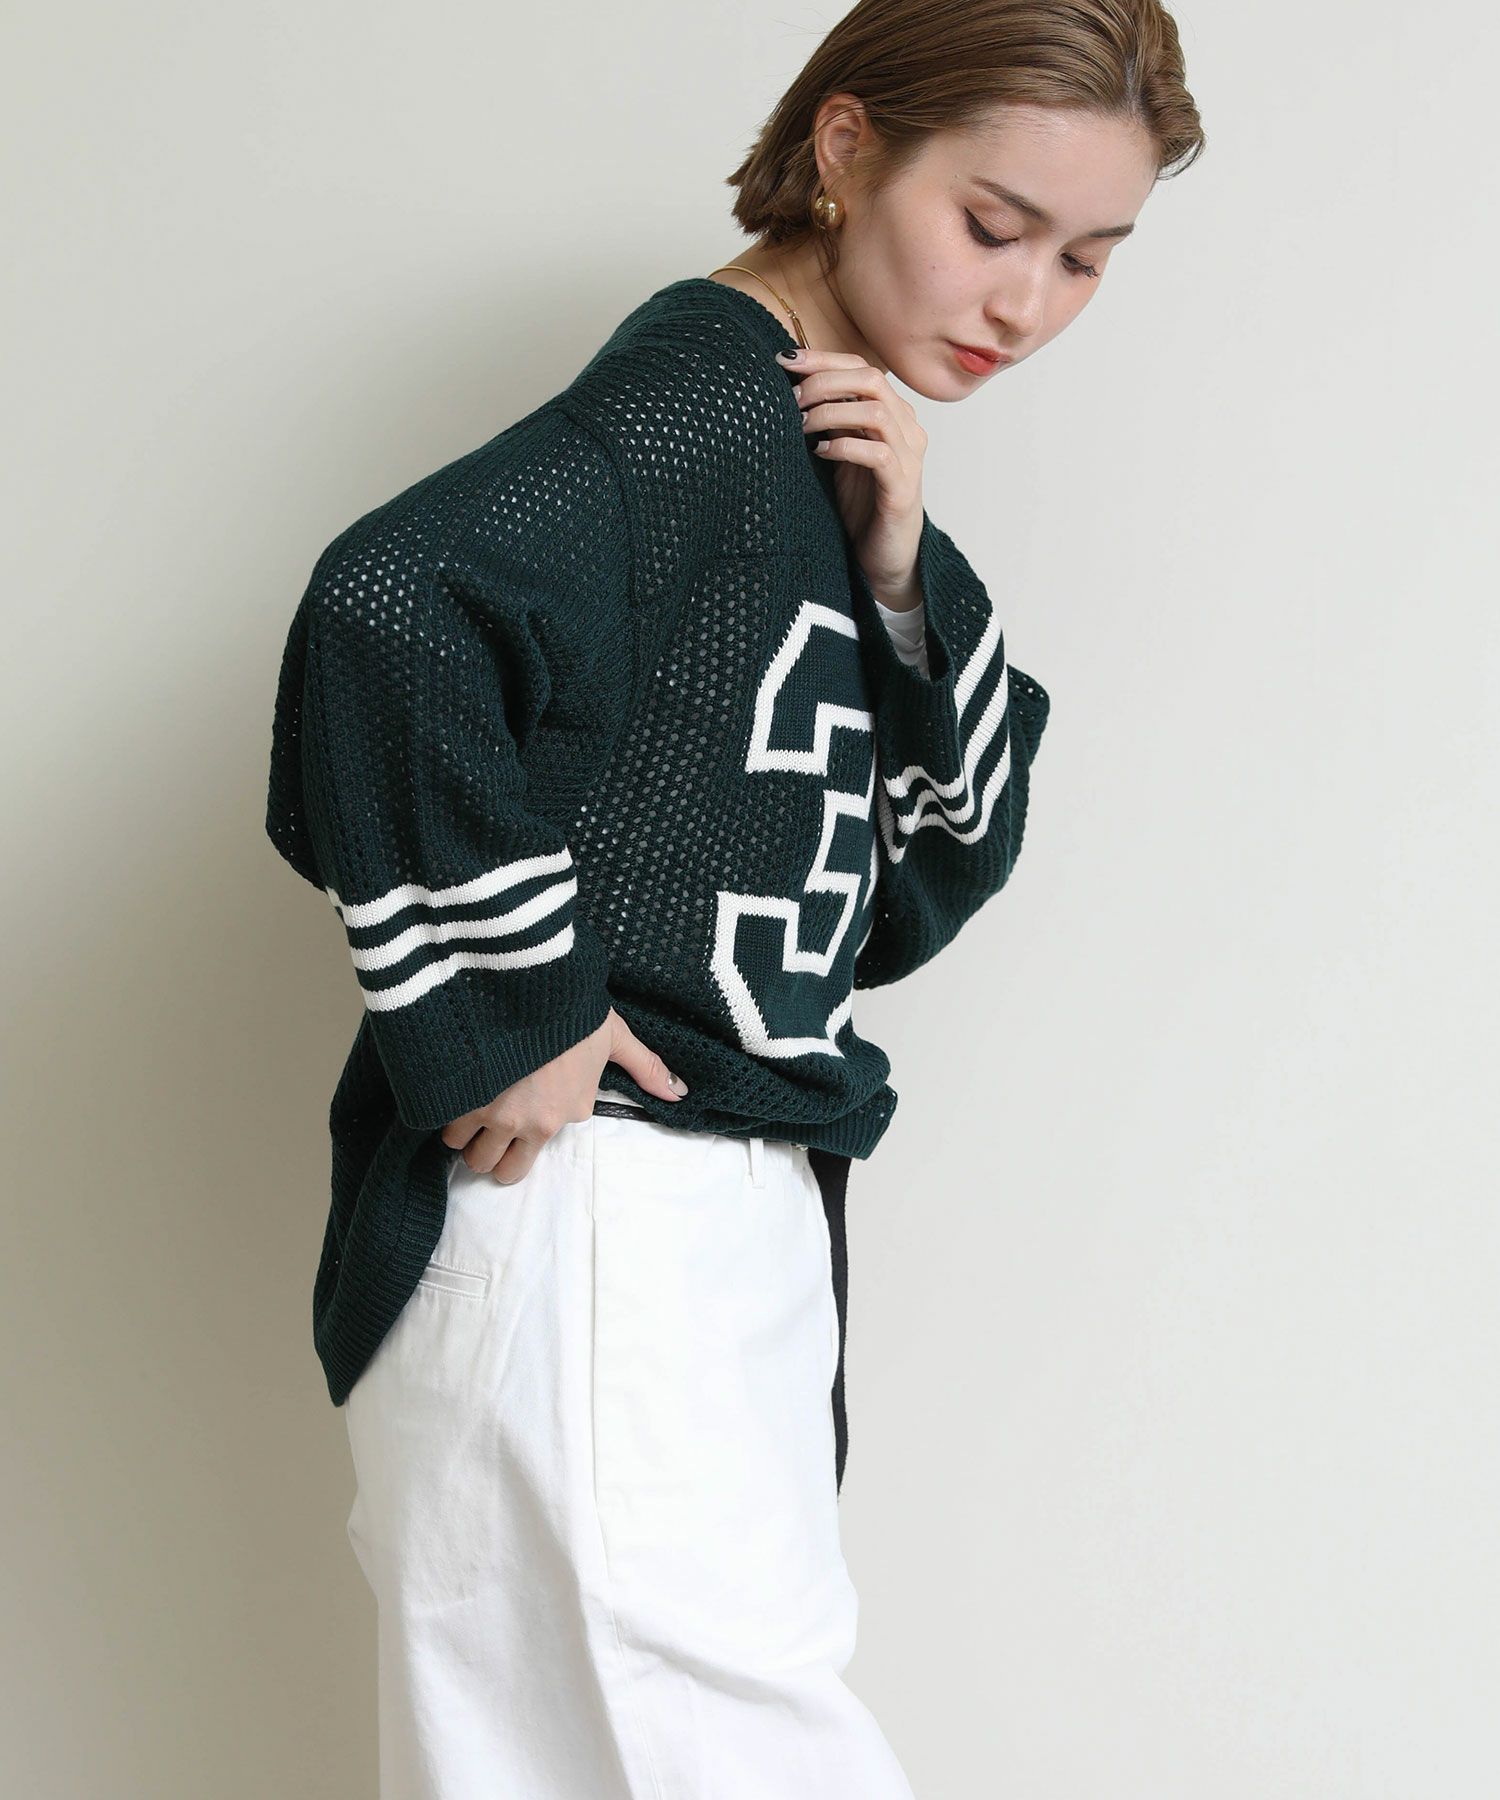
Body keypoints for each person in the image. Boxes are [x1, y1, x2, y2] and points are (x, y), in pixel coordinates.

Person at [263, 1, 1204, 1792]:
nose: (1025, 303)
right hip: (603, 1216)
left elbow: (931, 872)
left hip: (684, 1229)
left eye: (1088, 258)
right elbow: (389, 603)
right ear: (845, 149)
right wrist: (512, 1000)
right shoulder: (700, 403)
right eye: (993, 225)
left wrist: (900, 579)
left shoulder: (821, 453)